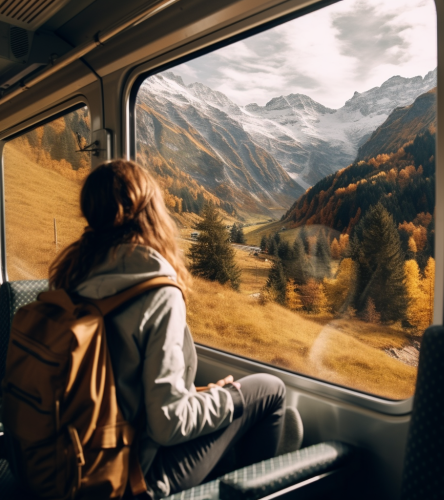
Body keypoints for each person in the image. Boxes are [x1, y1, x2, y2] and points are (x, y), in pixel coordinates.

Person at [48, 160, 286, 499]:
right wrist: (224, 399)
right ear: (150, 212)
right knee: (269, 388)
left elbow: (119, 386)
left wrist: (199, 395)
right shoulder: (156, 290)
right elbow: (168, 423)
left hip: (64, 458)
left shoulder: (70, 277)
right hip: (126, 475)